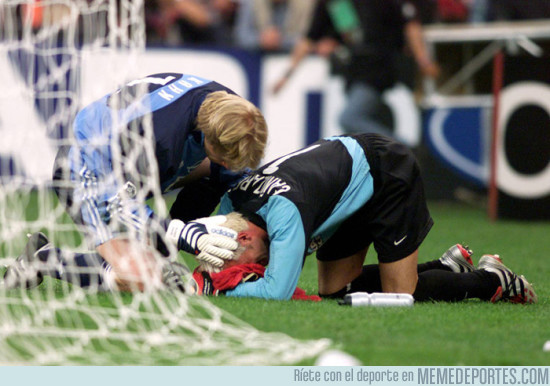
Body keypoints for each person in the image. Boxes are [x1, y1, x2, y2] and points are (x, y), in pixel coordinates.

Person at [3, 72, 268, 292]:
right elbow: (120, 205)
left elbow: (231, 172)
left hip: (135, 166)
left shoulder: (229, 108)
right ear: (211, 134)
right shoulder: (157, 137)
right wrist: (178, 233)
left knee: (227, 176)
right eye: (224, 155)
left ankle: (163, 250)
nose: (226, 162)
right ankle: (43, 258)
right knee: (143, 276)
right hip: (88, 174)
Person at [206, 133, 536, 303]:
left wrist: (212, 290)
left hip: (385, 171)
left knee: (401, 294)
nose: (254, 268)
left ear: (245, 237)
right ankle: (446, 267)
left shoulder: (284, 214)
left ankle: (492, 279)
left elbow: (277, 290)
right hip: (345, 183)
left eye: (247, 263)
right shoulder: (229, 204)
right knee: (335, 289)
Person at [272, 0, 439, 139]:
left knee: (350, 118)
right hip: (353, 72)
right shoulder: (335, 3)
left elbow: (410, 25)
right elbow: (310, 39)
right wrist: (286, 75)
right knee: (363, 128)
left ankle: (401, 149)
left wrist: (423, 60)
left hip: (381, 68)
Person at [233, 0, 316, 52]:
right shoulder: (252, 3)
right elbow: (241, 36)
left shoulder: (305, 4)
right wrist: (261, 40)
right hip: (255, 61)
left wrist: (280, 41)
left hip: (293, 61)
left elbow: (308, 38)